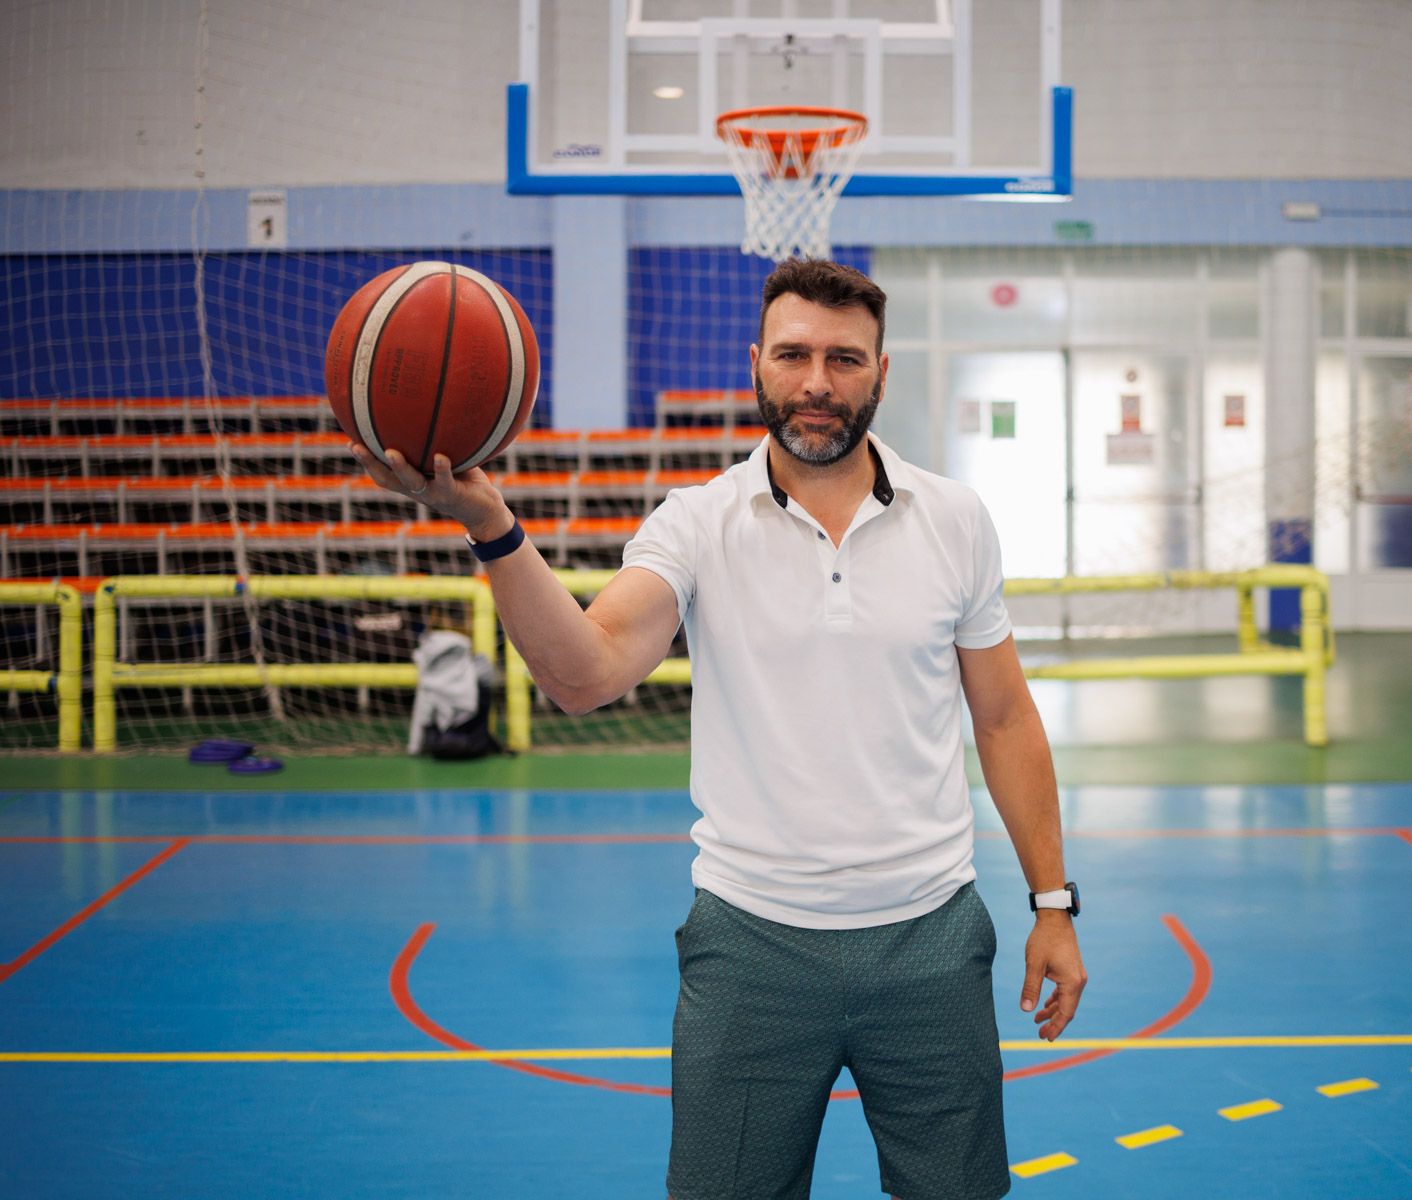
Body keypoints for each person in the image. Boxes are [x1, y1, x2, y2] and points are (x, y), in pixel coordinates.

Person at [351, 258, 1086, 1200]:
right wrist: (493, 527)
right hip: (751, 945)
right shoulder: (695, 524)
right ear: (757, 365)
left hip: (932, 941)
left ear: (882, 373)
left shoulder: (956, 519)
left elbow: (1005, 714)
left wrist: (1053, 905)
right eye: (793, 355)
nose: (817, 382)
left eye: (843, 359)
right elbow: (584, 674)